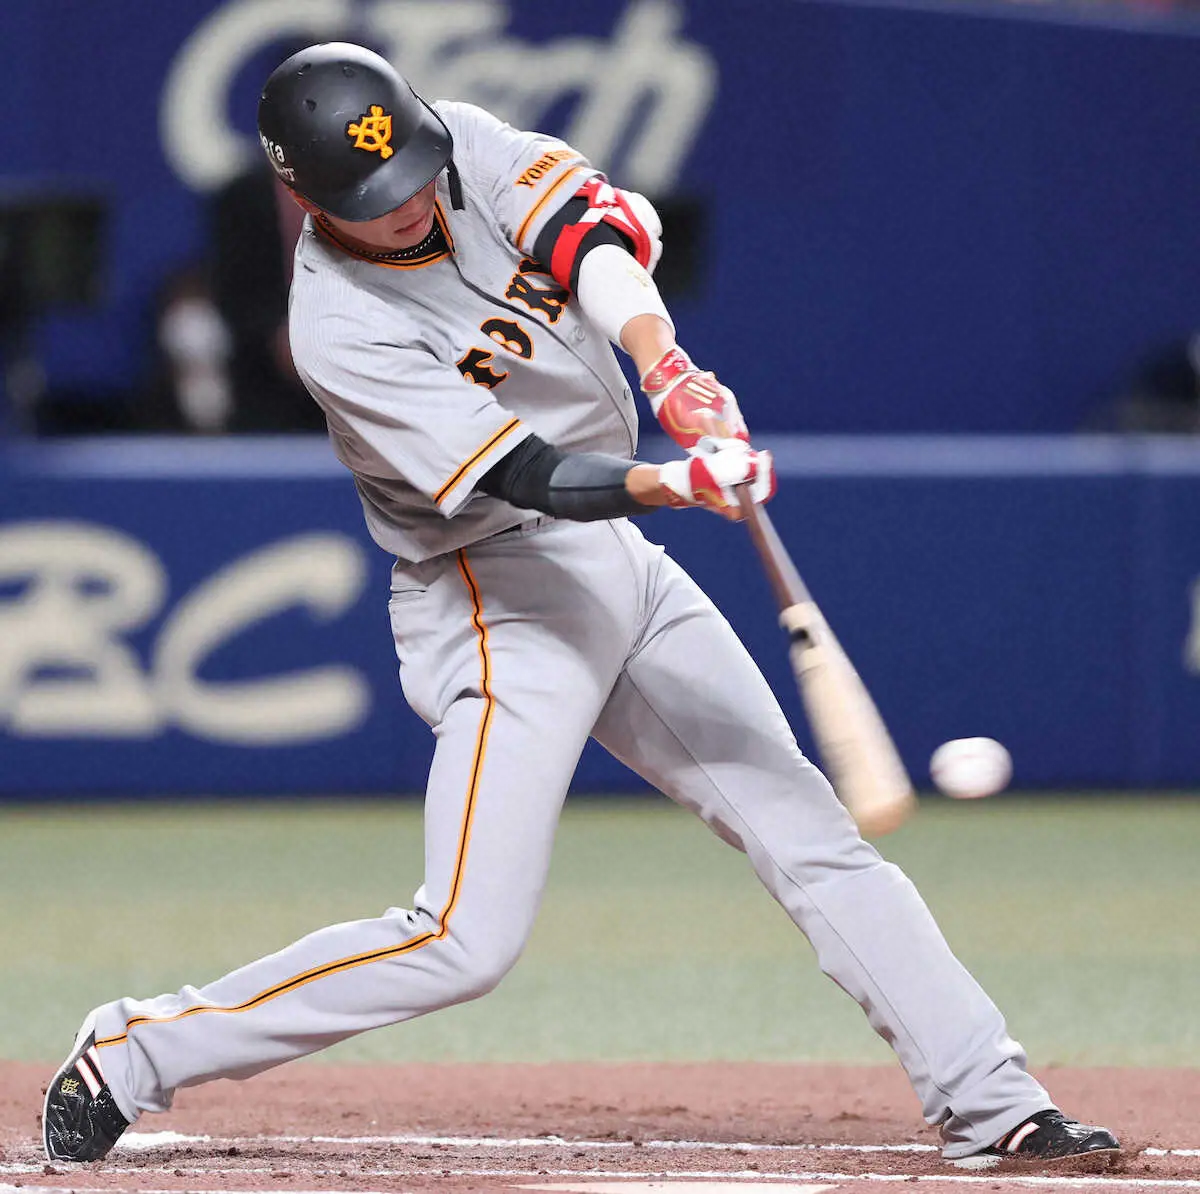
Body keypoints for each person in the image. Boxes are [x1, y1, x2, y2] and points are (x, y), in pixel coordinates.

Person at [41, 43, 1119, 1171]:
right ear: (305, 202)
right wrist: (673, 482)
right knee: (466, 940)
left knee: (807, 830)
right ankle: (133, 1052)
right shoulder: (337, 327)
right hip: (493, 593)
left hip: (616, 561)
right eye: (372, 195)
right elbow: (526, 475)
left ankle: (993, 1104)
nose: (408, 201)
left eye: (412, 170)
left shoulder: (462, 144)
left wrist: (667, 367)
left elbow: (587, 237)